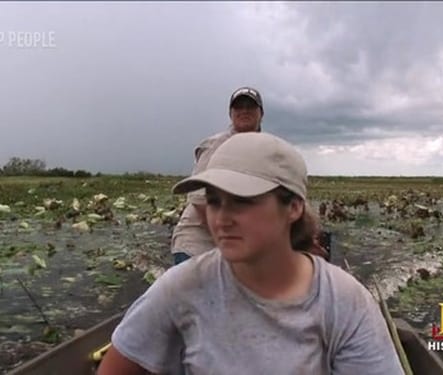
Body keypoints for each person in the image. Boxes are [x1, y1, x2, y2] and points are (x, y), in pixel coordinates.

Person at [97, 132, 405, 375]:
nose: (221, 218)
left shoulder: (344, 302)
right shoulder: (181, 288)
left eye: (241, 201)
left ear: (294, 207)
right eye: (215, 201)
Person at [171, 86, 264, 265]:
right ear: (231, 113)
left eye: (250, 106)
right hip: (197, 245)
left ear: (261, 113)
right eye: (238, 107)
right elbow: (199, 201)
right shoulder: (216, 145)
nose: (244, 110)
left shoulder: (262, 149)